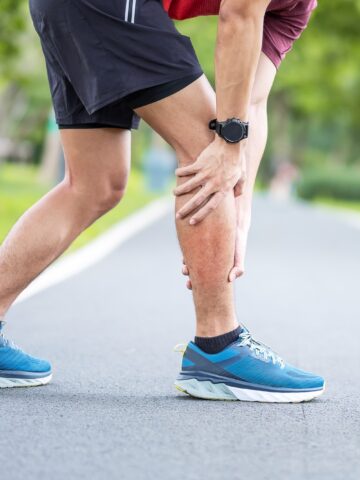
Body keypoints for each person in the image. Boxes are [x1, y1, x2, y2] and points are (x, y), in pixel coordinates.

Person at [0, 0, 324, 401]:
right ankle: (218, 346)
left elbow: (253, 102)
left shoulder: (299, 8)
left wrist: (240, 213)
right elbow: (237, 17)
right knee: (212, 144)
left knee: (95, 184)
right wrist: (227, 144)